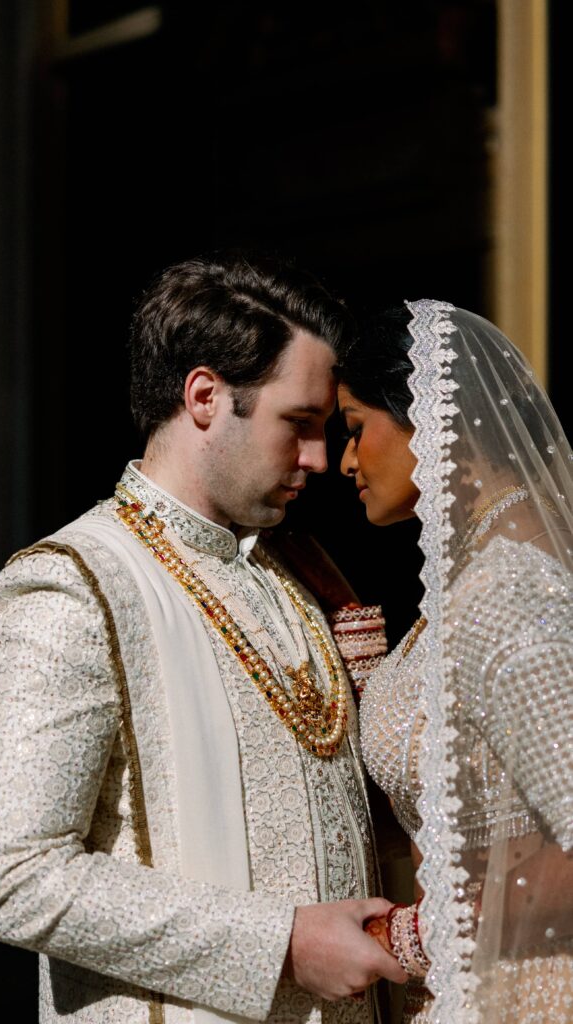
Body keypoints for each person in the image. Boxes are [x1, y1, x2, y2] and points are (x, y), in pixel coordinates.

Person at [0, 253, 407, 1024]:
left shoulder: (297, 571)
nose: (316, 459)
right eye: (297, 424)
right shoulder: (72, 584)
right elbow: (14, 878)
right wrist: (284, 942)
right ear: (204, 396)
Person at [336, 299, 573, 1023]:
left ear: (428, 417)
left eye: (353, 429)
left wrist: (414, 930)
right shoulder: (470, 583)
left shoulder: (506, 591)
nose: (343, 461)